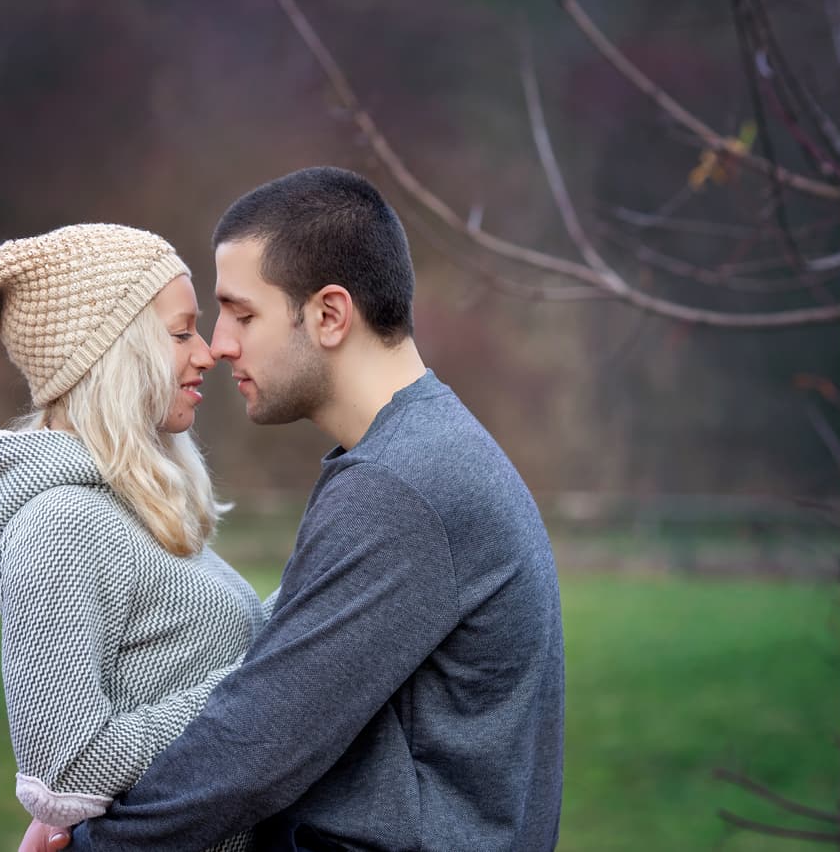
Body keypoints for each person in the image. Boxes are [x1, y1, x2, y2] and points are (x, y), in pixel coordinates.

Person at [52, 167, 566, 852]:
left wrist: (94, 844)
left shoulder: (401, 483)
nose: (220, 343)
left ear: (328, 314)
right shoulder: (416, 452)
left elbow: (255, 743)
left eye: (242, 312)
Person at [0, 224, 261, 852]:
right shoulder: (59, 524)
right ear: (114, 351)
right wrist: (266, 688)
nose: (207, 352)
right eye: (180, 332)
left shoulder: (133, 507)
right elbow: (69, 770)